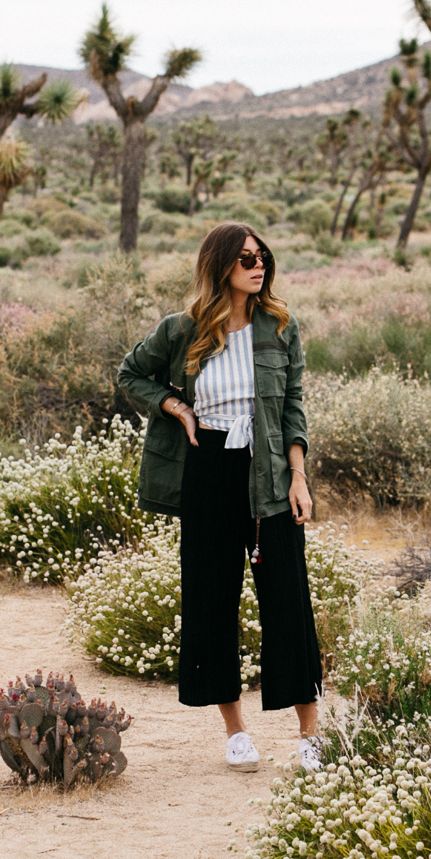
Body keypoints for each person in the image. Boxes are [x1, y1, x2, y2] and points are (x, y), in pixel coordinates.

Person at [118, 221, 323, 772]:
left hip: (271, 474)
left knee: (287, 598)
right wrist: (174, 406)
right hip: (208, 469)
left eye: (262, 257)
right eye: (245, 259)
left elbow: (293, 405)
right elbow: (132, 373)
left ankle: (309, 734)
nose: (258, 266)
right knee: (212, 599)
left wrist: (298, 476)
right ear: (220, 266)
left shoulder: (279, 326)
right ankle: (235, 731)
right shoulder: (183, 329)